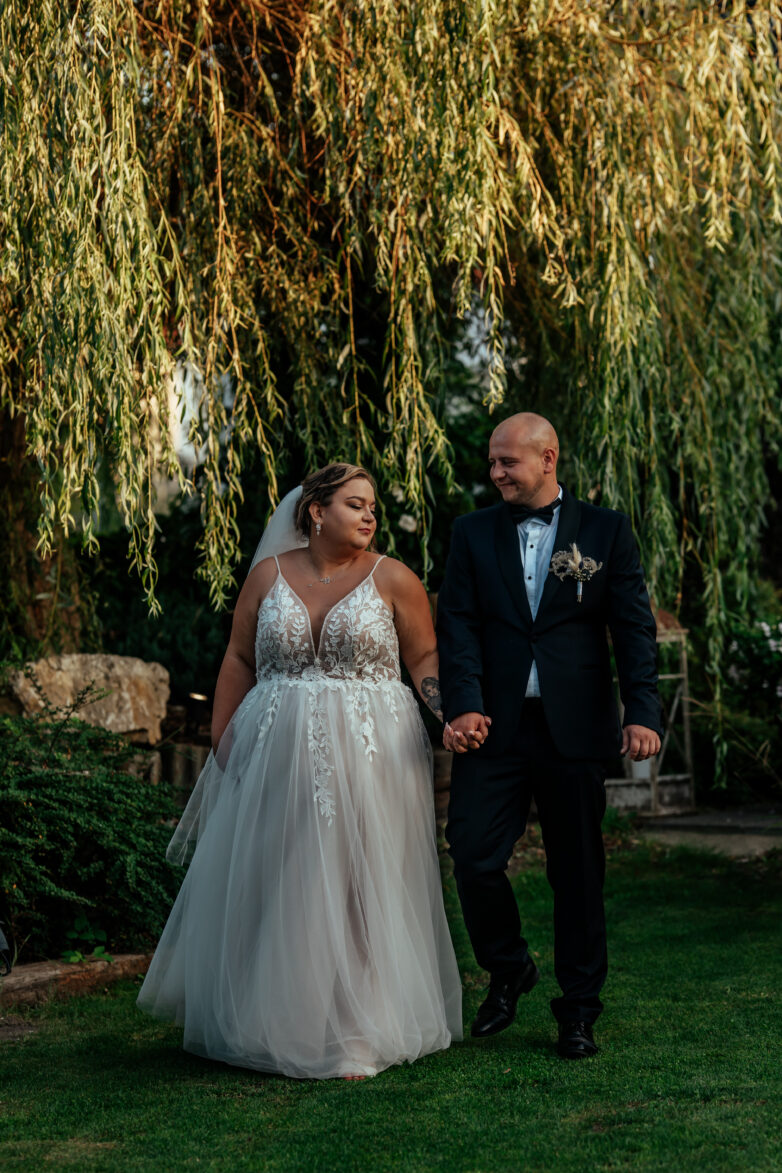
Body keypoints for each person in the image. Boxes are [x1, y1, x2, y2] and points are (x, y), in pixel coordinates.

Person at [138, 463, 462, 1079]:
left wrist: (449, 713)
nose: (370, 516)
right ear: (316, 511)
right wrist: (223, 737)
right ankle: (277, 1021)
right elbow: (239, 657)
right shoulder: (268, 575)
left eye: (372, 507)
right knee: (286, 878)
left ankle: (358, 1029)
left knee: (359, 882)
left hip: (370, 749)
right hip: (276, 749)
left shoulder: (394, 577)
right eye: (355, 504)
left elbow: (423, 655)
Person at [437, 413, 662, 1059]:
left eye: (507, 461)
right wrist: (464, 705)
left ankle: (579, 1010)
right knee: (473, 854)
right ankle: (509, 966)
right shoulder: (471, 532)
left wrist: (642, 711)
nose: (496, 473)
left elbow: (633, 626)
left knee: (578, 873)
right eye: (492, 461)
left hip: (576, 727)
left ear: (548, 458)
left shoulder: (606, 530)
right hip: (495, 728)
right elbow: (457, 625)